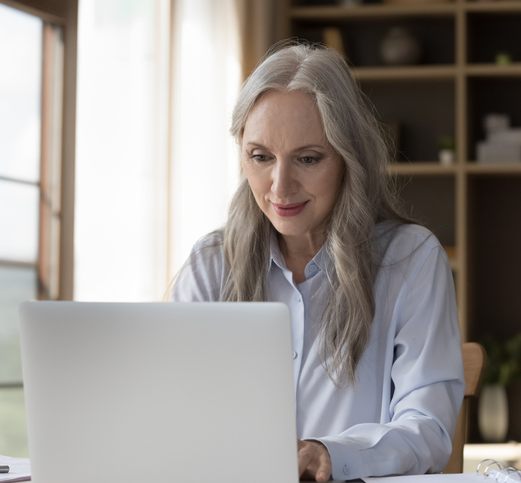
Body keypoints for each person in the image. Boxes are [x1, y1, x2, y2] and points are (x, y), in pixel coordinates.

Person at [170, 42, 464, 482]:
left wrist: (331, 454)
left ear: (350, 158)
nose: (280, 186)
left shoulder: (411, 261)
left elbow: (428, 430)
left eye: (308, 159)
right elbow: (169, 413)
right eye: (261, 157)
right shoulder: (210, 264)